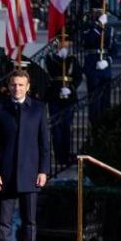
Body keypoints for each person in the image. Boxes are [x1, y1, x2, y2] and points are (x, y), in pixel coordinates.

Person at [0, 70, 51, 241]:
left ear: (28, 86)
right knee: (4, 221)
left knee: (29, 221)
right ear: (9, 86)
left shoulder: (39, 109)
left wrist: (43, 170)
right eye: (14, 84)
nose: (17, 88)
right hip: (5, 175)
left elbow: (44, 144)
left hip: (31, 174)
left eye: (21, 85)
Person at [45, 33, 82, 167]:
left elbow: (78, 77)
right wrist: (60, 58)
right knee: (56, 128)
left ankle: (65, 156)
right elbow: (51, 71)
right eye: (60, 42)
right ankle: (59, 155)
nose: (63, 44)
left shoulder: (73, 60)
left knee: (66, 127)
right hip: (55, 95)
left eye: (65, 42)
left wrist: (71, 88)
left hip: (69, 97)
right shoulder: (51, 58)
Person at [82, 8, 114, 121]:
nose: (100, 14)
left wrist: (107, 61)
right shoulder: (88, 27)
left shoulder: (109, 29)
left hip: (105, 67)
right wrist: (99, 26)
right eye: (97, 12)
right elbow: (89, 40)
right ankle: (94, 128)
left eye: (102, 11)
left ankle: (104, 127)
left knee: (106, 99)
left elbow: (113, 49)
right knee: (94, 100)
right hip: (92, 66)